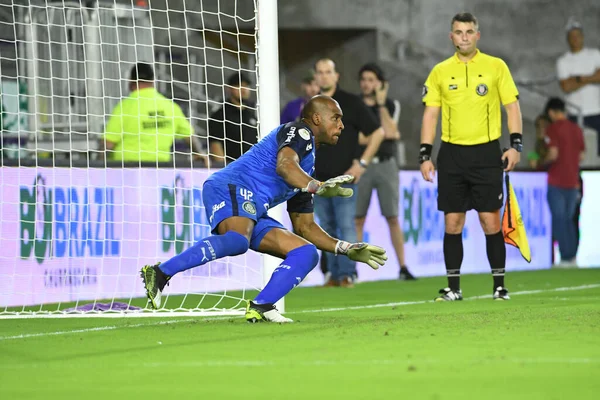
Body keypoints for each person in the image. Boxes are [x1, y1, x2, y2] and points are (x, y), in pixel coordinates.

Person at [141, 95, 388, 323]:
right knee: (237, 241)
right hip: (230, 185)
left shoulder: (308, 168)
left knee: (306, 253)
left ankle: (262, 305)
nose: (341, 125)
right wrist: (317, 187)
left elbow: (305, 226)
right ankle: (161, 272)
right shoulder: (298, 131)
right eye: (336, 118)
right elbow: (284, 166)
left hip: (253, 207)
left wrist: (345, 248)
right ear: (316, 118)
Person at [420, 12, 522, 301]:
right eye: (458, 32)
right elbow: (430, 114)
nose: (463, 36)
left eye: (469, 31)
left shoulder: (495, 66)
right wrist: (424, 155)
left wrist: (515, 146)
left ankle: (499, 286)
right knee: (452, 223)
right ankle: (453, 288)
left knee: (490, 220)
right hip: (451, 153)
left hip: (487, 151)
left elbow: (511, 107)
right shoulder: (440, 71)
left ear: (478, 35)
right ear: (451, 36)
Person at [313, 58, 385, 288]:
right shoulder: (312, 106)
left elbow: (378, 133)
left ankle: (347, 274)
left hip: (345, 178)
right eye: (320, 72)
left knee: (345, 226)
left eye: (328, 72)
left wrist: (362, 164)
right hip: (318, 180)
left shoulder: (351, 103)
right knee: (325, 229)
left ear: (336, 76)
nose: (324, 76)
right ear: (316, 77)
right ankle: (332, 275)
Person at [354, 62, 416, 281]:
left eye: (371, 80)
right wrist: (379, 135)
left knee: (393, 217)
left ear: (380, 83)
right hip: (362, 164)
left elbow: (391, 132)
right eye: (363, 80)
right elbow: (356, 137)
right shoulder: (354, 105)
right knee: (357, 218)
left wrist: (380, 106)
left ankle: (403, 267)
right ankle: (353, 270)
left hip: (386, 164)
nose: (366, 84)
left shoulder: (390, 105)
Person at [103, 63, 202, 163]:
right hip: (160, 170)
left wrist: (98, 168)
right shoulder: (170, 106)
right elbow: (190, 135)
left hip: (128, 170)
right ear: (153, 81)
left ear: (131, 81)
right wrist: (199, 153)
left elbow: (107, 143)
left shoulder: (124, 107)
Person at [542, 98, 585, 266]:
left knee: (559, 220)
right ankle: (572, 257)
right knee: (569, 220)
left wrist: (541, 162)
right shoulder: (576, 129)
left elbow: (553, 153)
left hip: (557, 181)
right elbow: (581, 155)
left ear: (551, 112)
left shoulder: (552, 129)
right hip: (573, 181)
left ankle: (566, 256)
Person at [556, 18, 600, 155]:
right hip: (573, 113)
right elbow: (566, 87)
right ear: (568, 39)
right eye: (572, 36)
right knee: (575, 152)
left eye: (577, 35)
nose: (575, 39)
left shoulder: (594, 55)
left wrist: (579, 79)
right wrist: (591, 77)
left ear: (582, 37)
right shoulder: (563, 61)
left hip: (596, 111)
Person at [208, 72, 259, 165]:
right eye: (239, 86)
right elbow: (215, 145)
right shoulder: (220, 115)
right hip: (233, 170)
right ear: (229, 89)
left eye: (246, 86)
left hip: (254, 169)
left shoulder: (252, 115)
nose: (244, 90)